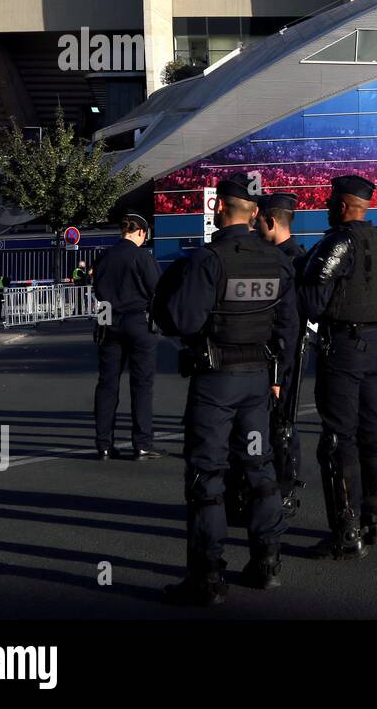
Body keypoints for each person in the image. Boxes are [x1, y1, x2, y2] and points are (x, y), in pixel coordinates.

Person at [153, 175, 296, 605]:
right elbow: (289, 326)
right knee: (259, 468)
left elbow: (183, 319)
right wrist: (276, 377)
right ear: (255, 214)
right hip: (257, 382)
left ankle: (208, 577)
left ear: (218, 209)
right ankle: (266, 563)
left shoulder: (208, 260)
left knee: (207, 474)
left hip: (216, 383)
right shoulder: (278, 261)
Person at [298, 175, 377, 559]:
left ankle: (346, 529)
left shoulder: (337, 242)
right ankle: (375, 520)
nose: (329, 208)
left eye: (333, 202)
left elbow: (313, 302)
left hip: (345, 348)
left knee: (338, 439)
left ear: (345, 206)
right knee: (373, 434)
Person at [91, 213, 163, 461]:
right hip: (138, 322)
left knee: (107, 384)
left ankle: (104, 445)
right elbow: (157, 290)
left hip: (108, 319)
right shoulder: (142, 256)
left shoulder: (104, 256)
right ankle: (142, 443)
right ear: (141, 232)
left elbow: (98, 291)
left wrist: (103, 322)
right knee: (142, 385)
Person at [254, 191, 309, 517]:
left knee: (281, 424)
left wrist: (278, 368)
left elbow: (291, 321)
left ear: (271, 221)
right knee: (277, 423)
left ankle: (285, 488)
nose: (255, 225)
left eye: (259, 220)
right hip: (279, 352)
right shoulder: (295, 258)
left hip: (283, 355)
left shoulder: (288, 261)